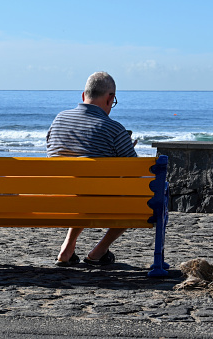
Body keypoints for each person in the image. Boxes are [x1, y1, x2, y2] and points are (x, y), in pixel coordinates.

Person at [46, 72, 137, 267]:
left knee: (82, 187)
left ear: (83, 96)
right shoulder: (114, 129)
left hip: (57, 199)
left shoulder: (59, 120)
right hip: (95, 200)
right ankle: (99, 251)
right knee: (136, 200)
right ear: (110, 97)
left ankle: (67, 248)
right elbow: (134, 171)